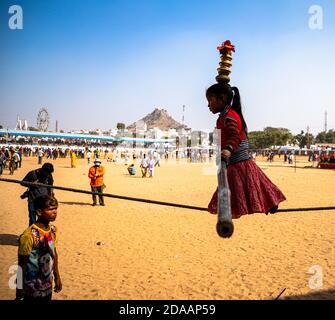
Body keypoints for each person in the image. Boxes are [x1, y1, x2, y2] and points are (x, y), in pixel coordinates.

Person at [206, 83, 286, 219]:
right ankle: (269, 204)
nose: (208, 105)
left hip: (240, 164)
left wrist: (228, 149)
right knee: (243, 189)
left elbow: (234, 135)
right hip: (234, 164)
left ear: (222, 98)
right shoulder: (223, 117)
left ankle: (270, 204)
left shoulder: (229, 116)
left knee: (243, 189)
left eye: (210, 100)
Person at [16, 195, 62, 300]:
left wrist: (57, 276)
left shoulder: (54, 230)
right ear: (39, 212)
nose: (54, 212)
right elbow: (21, 265)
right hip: (31, 289)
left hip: (47, 285)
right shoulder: (28, 235)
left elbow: (54, 254)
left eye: (55, 209)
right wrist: (19, 290)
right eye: (50, 209)